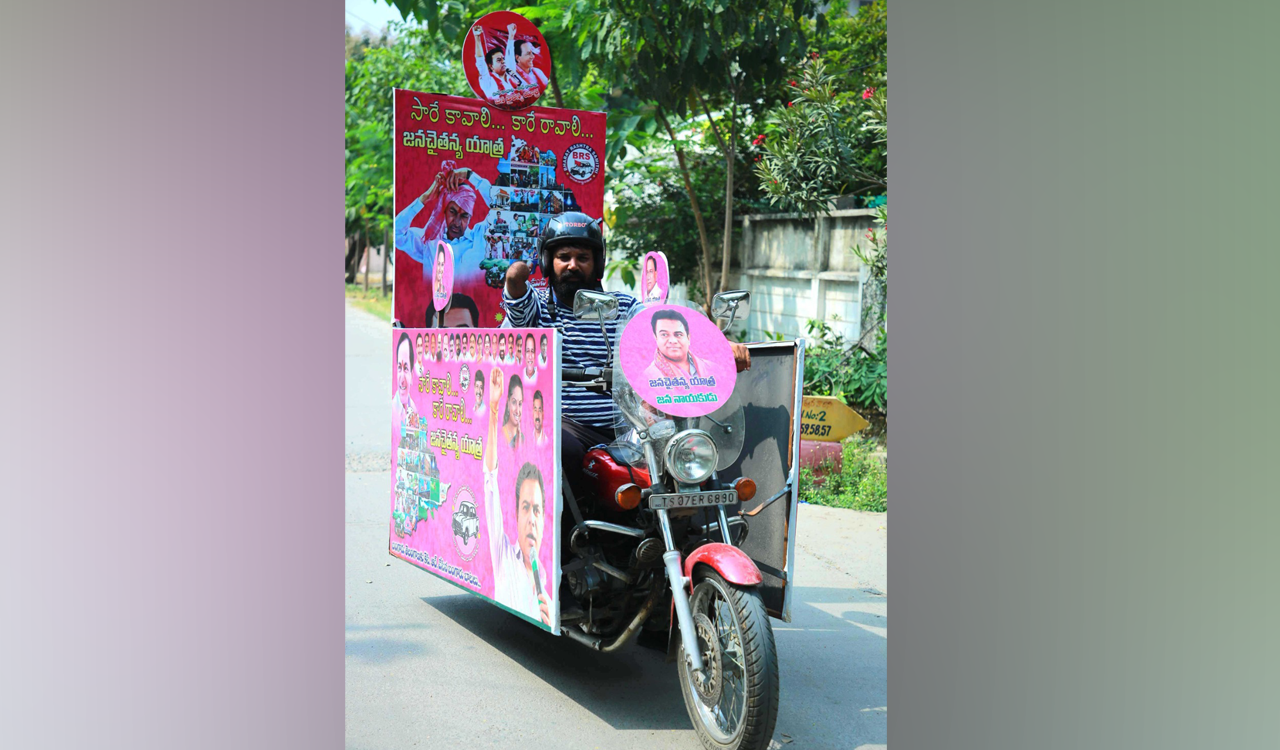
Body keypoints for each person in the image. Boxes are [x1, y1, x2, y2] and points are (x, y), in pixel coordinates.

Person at [482, 368, 550, 625]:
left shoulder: (548, 598)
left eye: (537, 510)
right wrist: (493, 408)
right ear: (515, 514)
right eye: (525, 507)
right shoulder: (503, 556)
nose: (532, 519)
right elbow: (490, 478)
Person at [395, 162, 498, 284]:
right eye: (453, 212)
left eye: (464, 215)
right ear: (444, 211)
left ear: (470, 216)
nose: (457, 222)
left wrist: (469, 174)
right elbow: (397, 234)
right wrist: (424, 198)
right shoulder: (430, 242)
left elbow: (504, 208)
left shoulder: (481, 238)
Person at [642, 308, 718, 386]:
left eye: (678, 334)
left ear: (688, 338)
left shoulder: (712, 369)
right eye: (664, 334)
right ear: (656, 338)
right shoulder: (649, 377)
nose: (673, 341)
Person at [472, 26, 522, 107]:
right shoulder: (488, 81)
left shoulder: (512, 77)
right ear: (491, 66)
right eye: (499, 60)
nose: (503, 62)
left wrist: (511, 36)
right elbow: (480, 61)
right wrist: (477, 37)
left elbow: (510, 56)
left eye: (503, 59)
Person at [504, 22, 549, 97]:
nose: (532, 57)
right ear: (518, 58)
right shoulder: (512, 74)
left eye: (532, 53)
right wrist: (511, 36)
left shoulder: (538, 72)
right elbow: (509, 58)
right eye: (528, 54)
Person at [393, 332, 419, 437]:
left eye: (406, 368)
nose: (402, 378)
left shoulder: (414, 410)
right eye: (399, 368)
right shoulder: (393, 411)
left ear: (412, 375)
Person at [502, 373, 524, 450]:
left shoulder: (523, 438)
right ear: (508, 402)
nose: (517, 410)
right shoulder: (500, 435)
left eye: (520, 403)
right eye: (514, 402)